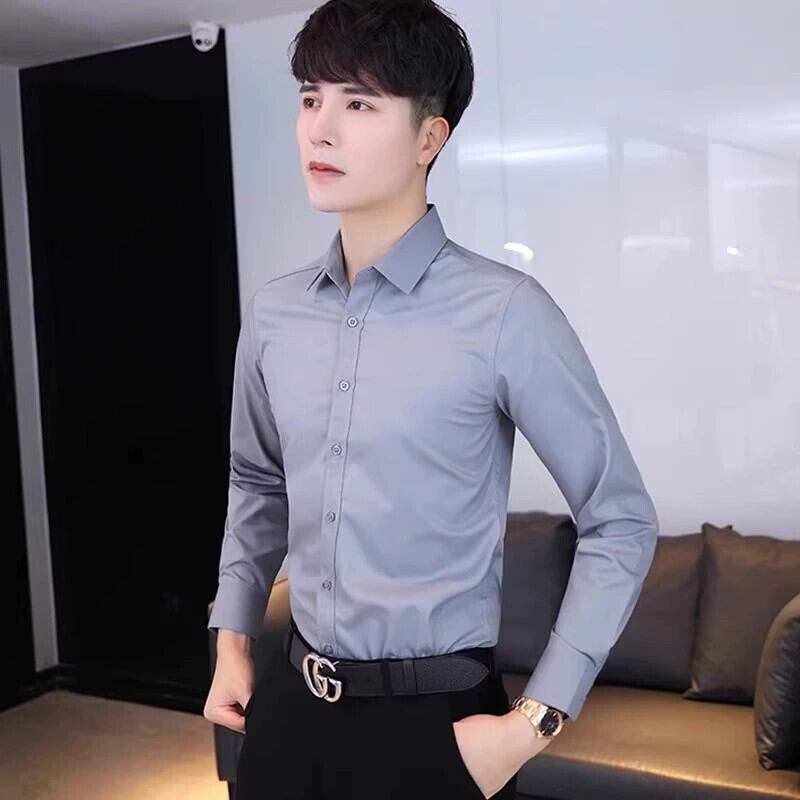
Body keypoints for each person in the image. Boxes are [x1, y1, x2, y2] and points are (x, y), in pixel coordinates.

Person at [203, 1, 660, 798]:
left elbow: (619, 519)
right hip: (288, 711)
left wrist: (534, 721)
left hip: (436, 727)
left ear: (429, 138)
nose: (320, 130)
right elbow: (259, 484)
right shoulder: (275, 314)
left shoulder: (507, 312)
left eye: (359, 104)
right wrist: (233, 638)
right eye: (311, 98)